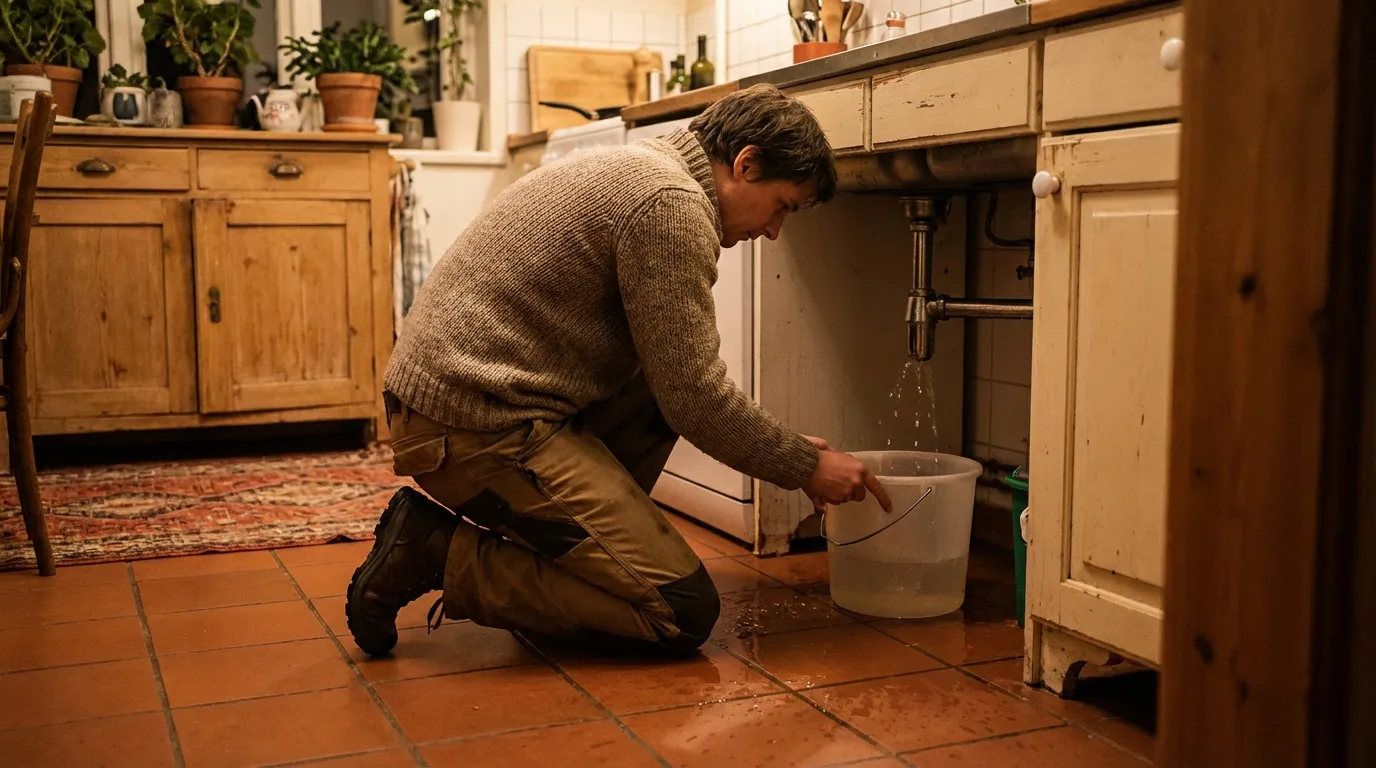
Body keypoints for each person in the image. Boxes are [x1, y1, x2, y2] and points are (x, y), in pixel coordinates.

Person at [346, 83, 892, 658]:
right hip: (469, 422)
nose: (774, 231)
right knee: (678, 611)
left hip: (468, 400)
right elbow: (696, 398)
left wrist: (778, 447)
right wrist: (803, 465)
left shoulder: (649, 171)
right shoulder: (670, 205)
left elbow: (678, 384)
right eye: (782, 205)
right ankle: (431, 549)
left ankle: (573, 561)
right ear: (746, 163)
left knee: (658, 383)